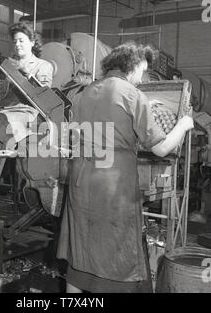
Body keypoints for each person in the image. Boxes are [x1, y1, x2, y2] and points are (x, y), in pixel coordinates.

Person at [57, 41, 194, 293]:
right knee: (116, 256)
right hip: (113, 188)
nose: (141, 79)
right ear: (131, 67)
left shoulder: (86, 91)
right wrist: (183, 124)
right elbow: (161, 148)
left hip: (81, 181)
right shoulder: (132, 94)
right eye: (141, 72)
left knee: (80, 253)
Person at [0, 21, 53, 188]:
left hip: (29, 112)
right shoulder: (9, 66)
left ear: (32, 42)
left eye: (21, 40)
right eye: (14, 41)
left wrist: (24, 75)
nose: (17, 44)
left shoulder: (44, 66)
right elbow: (4, 94)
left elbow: (43, 97)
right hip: (8, 109)